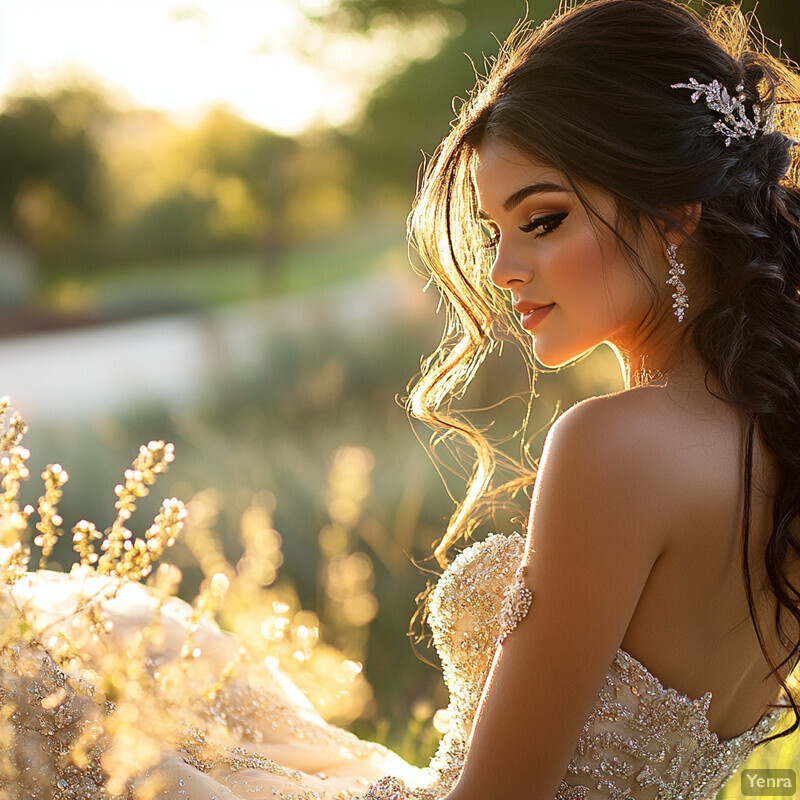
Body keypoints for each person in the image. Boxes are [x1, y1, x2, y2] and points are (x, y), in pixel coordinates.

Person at [1, 0, 799, 798]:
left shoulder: (615, 446)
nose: (503, 271)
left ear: (673, 212)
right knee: (121, 662)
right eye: (495, 233)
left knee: (26, 690)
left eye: (543, 220)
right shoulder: (773, 440)